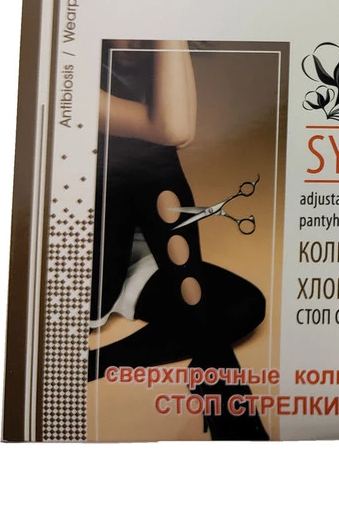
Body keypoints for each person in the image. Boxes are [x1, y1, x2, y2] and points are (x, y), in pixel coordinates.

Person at [89, 39, 268, 440]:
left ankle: (93, 363)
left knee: (244, 305)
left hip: (137, 245)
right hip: (83, 262)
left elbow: (180, 131)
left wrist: (167, 31)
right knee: (148, 151)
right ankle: (221, 377)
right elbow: (175, 130)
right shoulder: (66, 65)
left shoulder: (152, 47)